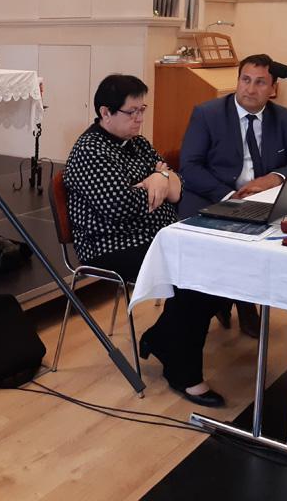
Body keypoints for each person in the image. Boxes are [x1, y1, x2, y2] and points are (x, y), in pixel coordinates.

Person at [63, 74, 225, 407]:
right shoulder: (90, 151)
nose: (139, 119)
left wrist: (160, 179)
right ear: (106, 113)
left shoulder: (136, 142)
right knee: (192, 279)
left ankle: (163, 337)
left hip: (155, 235)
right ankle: (183, 370)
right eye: (132, 112)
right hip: (110, 244)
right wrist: (157, 181)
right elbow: (119, 208)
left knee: (217, 267)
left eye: (142, 110)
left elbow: (178, 189)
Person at [177, 53, 287, 337]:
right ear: (237, 81)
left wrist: (273, 178)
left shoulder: (285, 119)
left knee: (285, 239)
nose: (250, 89)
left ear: (273, 89)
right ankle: (234, 302)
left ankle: (240, 299)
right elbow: (189, 166)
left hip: (263, 200)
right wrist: (229, 196)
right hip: (211, 197)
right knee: (227, 242)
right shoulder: (208, 114)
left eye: (260, 82)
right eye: (245, 80)